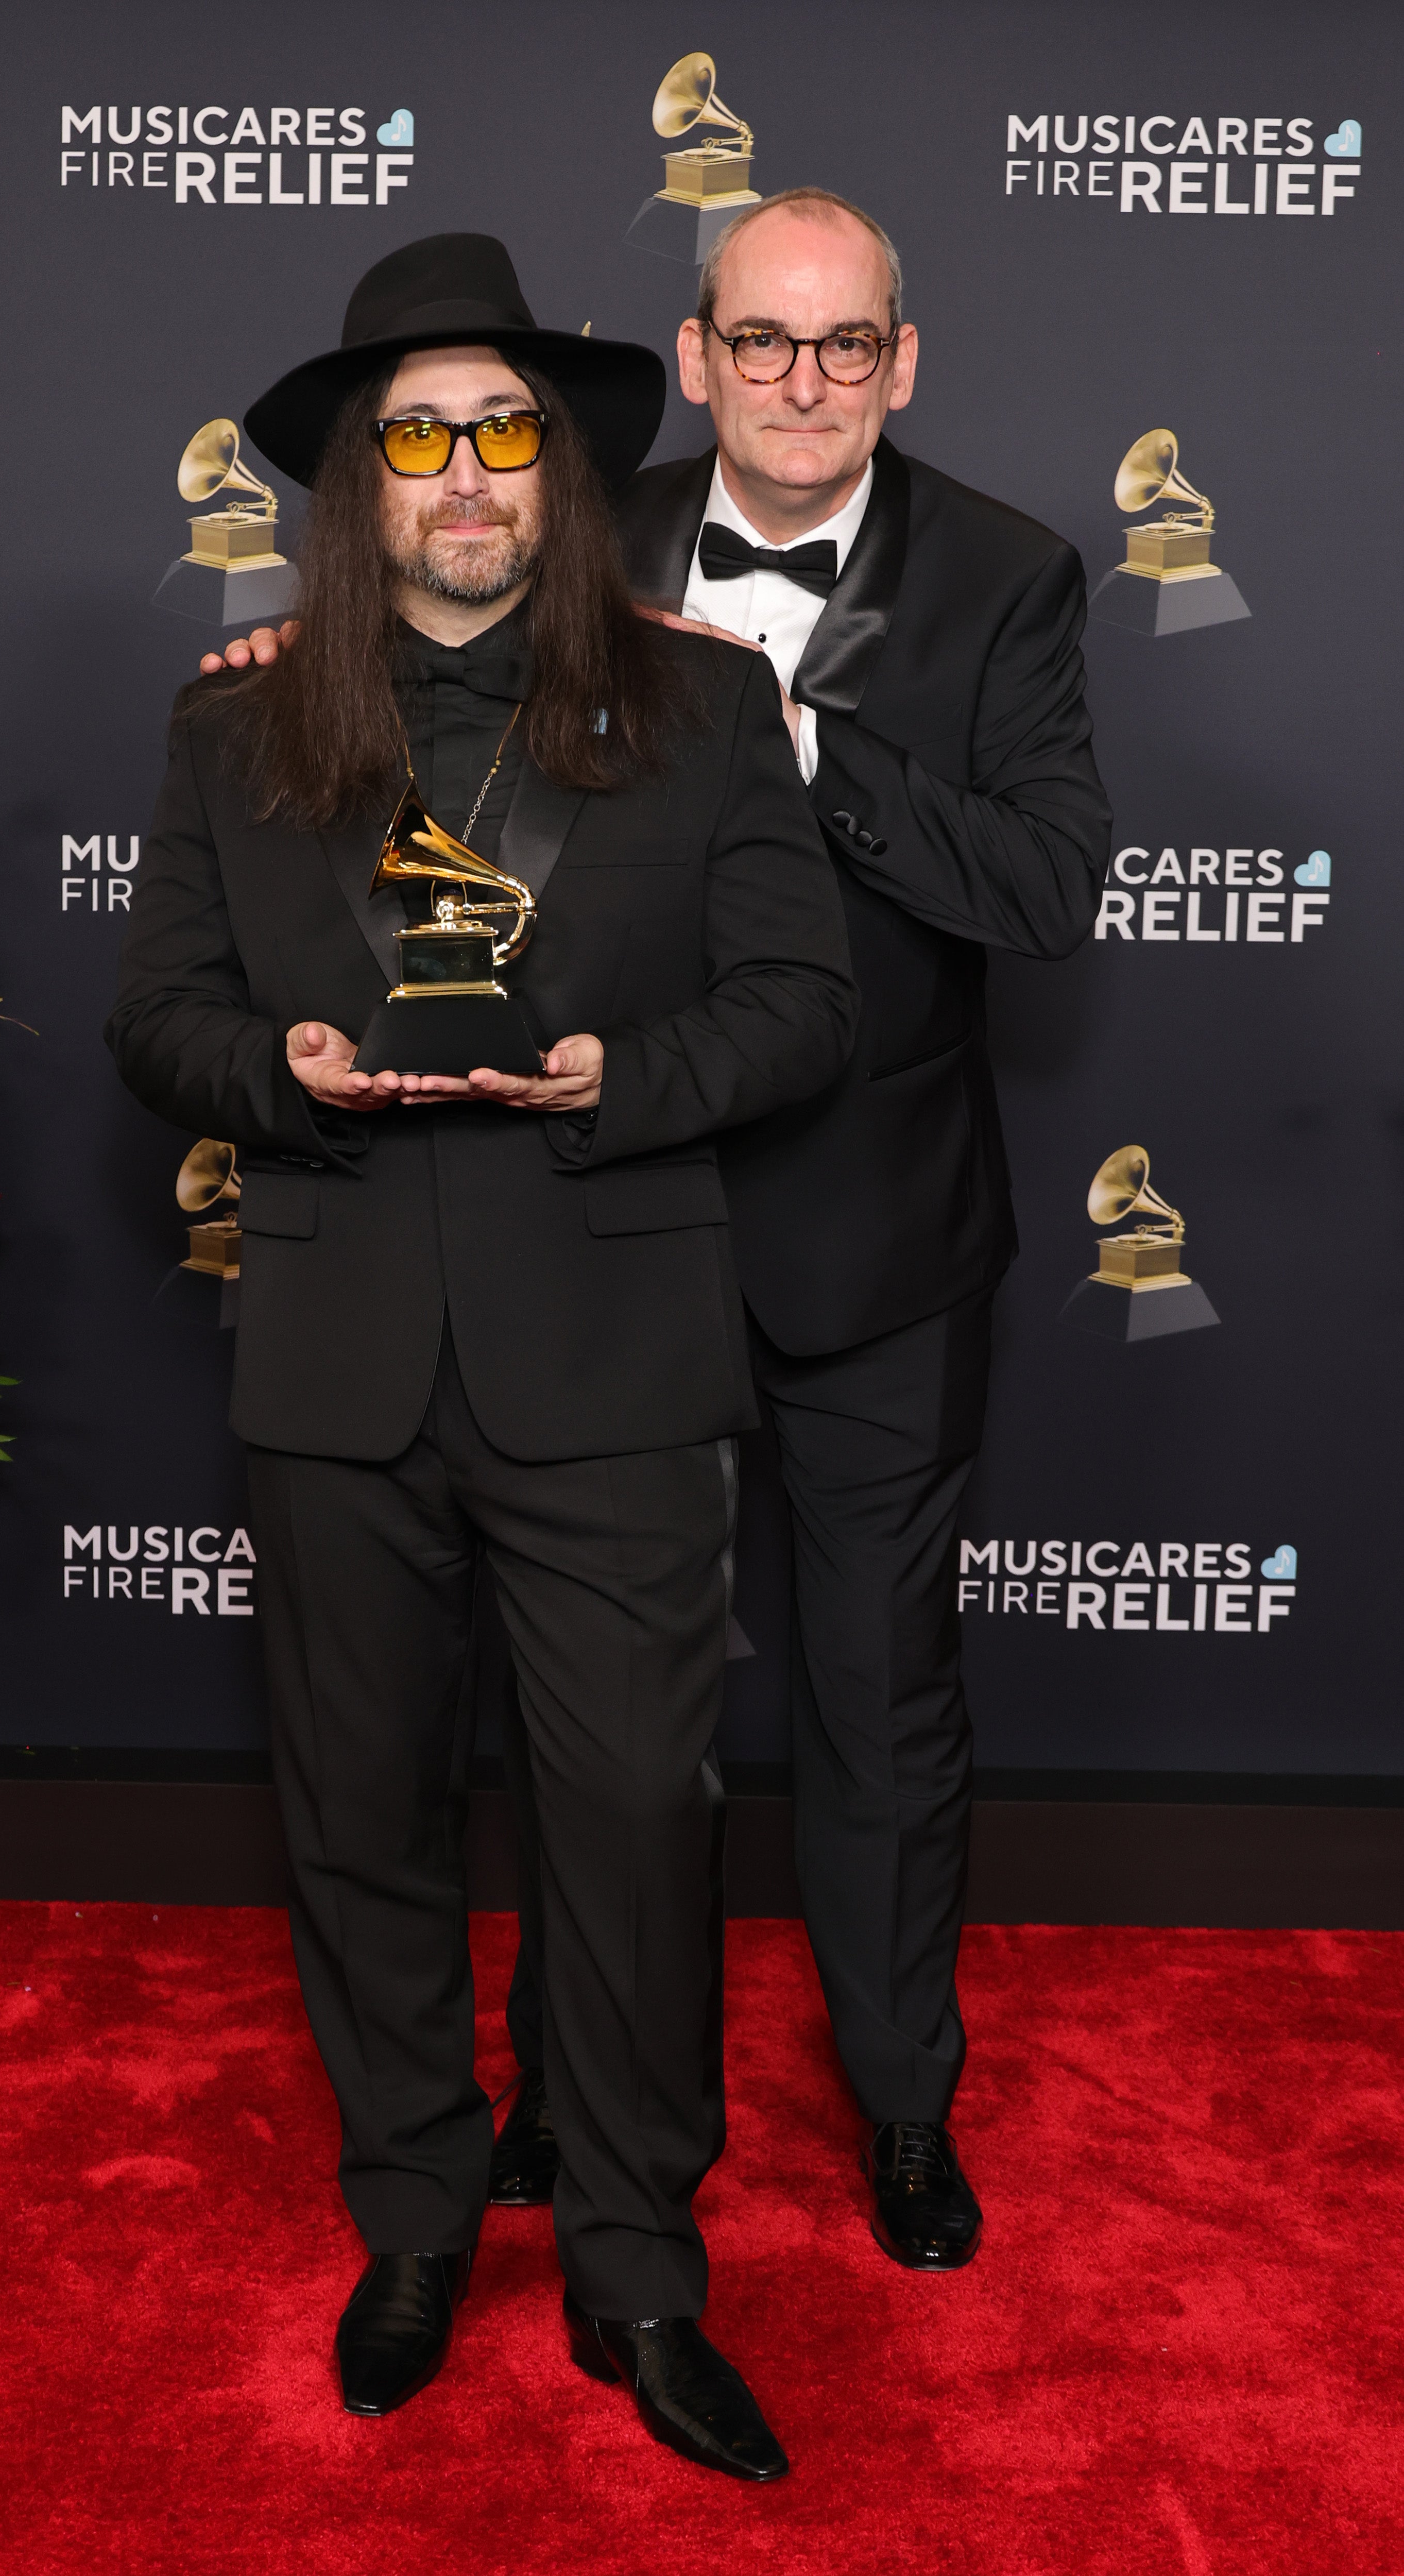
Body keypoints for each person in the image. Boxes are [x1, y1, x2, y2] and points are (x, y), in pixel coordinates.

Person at [208, 190, 1110, 2275]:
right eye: (761, 342)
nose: (803, 382)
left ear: (902, 361)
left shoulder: (1012, 576)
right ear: (694, 358)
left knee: (878, 1694)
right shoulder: (564, 520)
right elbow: (391, 667)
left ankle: (902, 2099)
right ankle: (565, 2089)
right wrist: (283, 660)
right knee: (591, 1723)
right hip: (592, 1220)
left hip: (866, 1237)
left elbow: (1047, 886)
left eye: (846, 344)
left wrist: (801, 737)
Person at [108, 231, 857, 2478]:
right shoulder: (233, 723)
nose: (461, 473)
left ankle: (636, 2263)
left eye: (502, 431)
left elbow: (803, 1006)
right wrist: (277, 1070)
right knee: (360, 1819)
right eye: (416, 435)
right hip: (337, 1353)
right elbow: (158, 1016)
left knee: (630, 1825)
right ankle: (419, 2216)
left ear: (558, 468)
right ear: (360, 479)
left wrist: (622, 1074)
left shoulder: (703, 703)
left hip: (613, 1353)